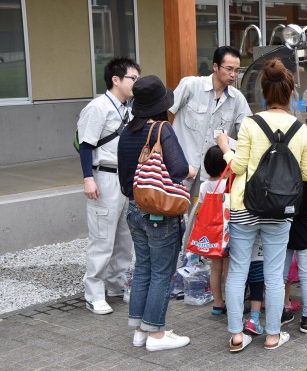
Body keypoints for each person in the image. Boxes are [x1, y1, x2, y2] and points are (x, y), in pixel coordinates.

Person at [216, 59, 307, 352]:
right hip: (281, 210)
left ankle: (237, 335)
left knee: (237, 271)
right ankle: (273, 335)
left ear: (264, 92)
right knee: (275, 274)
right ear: (290, 94)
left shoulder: (250, 123)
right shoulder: (301, 129)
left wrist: (225, 148)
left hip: (244, 206)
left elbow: (238, 165)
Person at [117, 75, 196, 351]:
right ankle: (156, 335)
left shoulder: (126, 132)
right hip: (160, 213)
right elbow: (178, 169)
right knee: (162, 273)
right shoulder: (162, 129)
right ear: (161, 104)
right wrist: (192, 171)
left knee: (143, 269)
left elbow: (125, 178)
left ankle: (140, 329)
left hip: (134, 209)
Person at [77, 57, 140, 315]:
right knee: (102, 237)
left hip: (125, 179)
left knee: (125, 237)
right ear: (116, 79)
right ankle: (93, 291)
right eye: (132, 78)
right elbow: (85, 145)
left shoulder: (129, 109)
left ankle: (116, 284)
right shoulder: (98, 107)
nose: (136, 82)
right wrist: (87, 178)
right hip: (103, 176)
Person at [170, 46, 252, 197]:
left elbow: (249, 135)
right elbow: (167, 115)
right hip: (181, 167)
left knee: (206, 216)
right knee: (176, 215)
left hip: (212, 174)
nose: (233, 74)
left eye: (237, 70)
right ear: (215, 66)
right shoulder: (191, 85)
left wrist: (227, 144)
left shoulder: (238, 99)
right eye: (228, 69)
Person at [283, 180, 307, 333]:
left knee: (280, 276)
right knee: (306, 277)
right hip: (305, 232)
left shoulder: (281, 174)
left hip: (282, 232)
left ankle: (280, 313)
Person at [197, 145, 230, 315]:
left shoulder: (204, 186)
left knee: (215, 269)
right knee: (229, 270)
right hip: (227, 232)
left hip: (212, 234)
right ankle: (232, 302)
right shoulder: (228, 183)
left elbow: (201, 210)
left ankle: (218, 303)